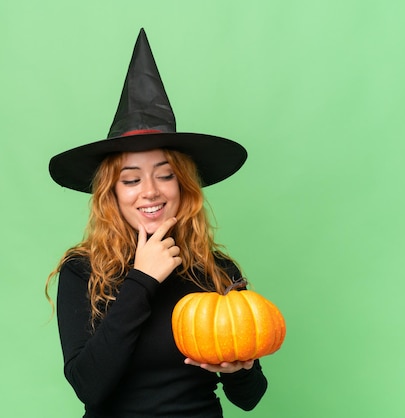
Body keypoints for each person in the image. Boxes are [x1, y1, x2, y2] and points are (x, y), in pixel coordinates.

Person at [45, 29, 268, 417]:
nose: (150, 191)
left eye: (164, 175)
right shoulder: (82, 270)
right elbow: (89, 386)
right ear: (111, 194)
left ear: (183, 185)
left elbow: (249, 398)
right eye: (131, 180)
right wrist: (142, 280)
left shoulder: (216, 272)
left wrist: (239, 369)